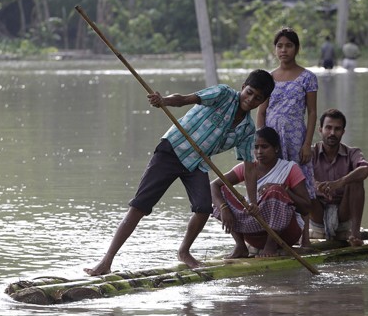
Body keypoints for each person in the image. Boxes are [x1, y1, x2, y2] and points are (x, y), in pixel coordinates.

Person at [84, 69, 275, 275]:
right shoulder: (223, 94)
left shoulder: (246, 129)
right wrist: (163, 100)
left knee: (203, 209)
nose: (250, 99)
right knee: (139, 206)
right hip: (172, 150)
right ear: (243, 87)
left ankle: (184, 252)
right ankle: (106, 261)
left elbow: (249, 167)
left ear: (262, 102)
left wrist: (252, 201)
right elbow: (184, 99)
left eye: (257, 98)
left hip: (197, 163)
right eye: (249, 92)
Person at [256, 27, 318, 248]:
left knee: (303, 184)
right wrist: (260, 143)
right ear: (275, 49)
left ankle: (305, 237)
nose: (284, 50)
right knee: (273, 182)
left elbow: (311, 112)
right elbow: (261, 111)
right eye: (280, 46)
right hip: (273, 141)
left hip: (295, 139)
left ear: (296, 49)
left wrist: (307, 143)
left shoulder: (308, 78)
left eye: (288, 45)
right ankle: (272, 234)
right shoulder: (269, 78)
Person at [211, 127, 310, 258]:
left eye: (264, 147)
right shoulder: (247, 167)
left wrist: (283, 189)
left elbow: (306, 207)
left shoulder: (290, 168)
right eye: (256, 147)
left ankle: (271, 244)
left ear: (276, 148)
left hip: (286, 234)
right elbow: (214, 185)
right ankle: (240, 246)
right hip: (253, 233)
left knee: (276, 191)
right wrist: (224, 208)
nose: (259, 152)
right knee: (222, 193)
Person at [310, 109, 368, 247]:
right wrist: (316, 185)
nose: (332, 133)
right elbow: (297, 173)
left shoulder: (352, 152)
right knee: (302, 183)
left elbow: (366, 169)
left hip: (343, 212)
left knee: (356, 180)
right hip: (316, 212)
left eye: (337, 129)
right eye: (328, 128)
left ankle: (355, 235)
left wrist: (339, 183)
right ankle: (303, 236)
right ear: (320, 130)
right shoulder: (311, 152)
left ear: (343, 132)